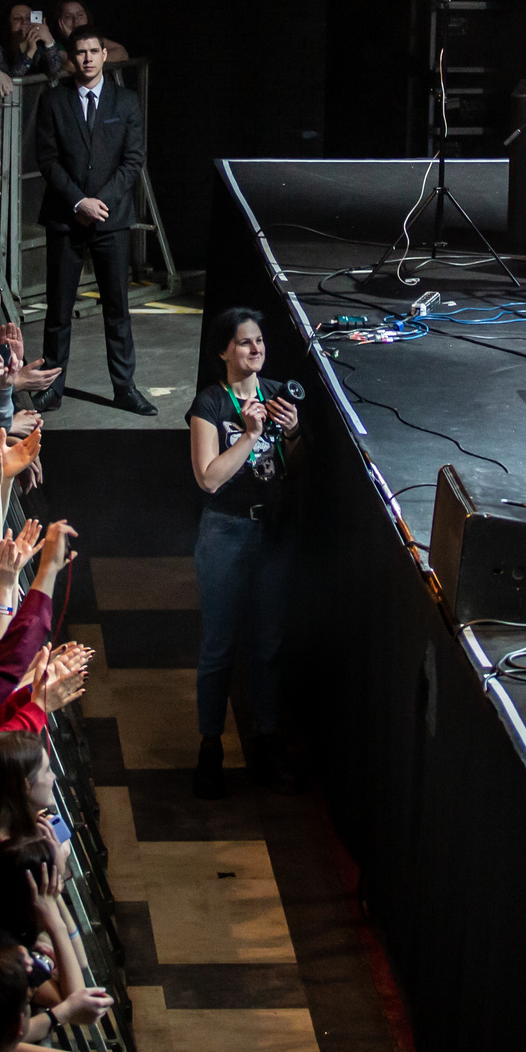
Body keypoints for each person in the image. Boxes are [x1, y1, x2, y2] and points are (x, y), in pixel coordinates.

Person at [185, 308, 304, 799]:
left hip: (272, 531)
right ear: (223, 351)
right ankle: (210, 747)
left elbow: (297, 469)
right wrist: (252, 435)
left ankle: (265, 744)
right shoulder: (210, 404)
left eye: (259, 341)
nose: (256, 349)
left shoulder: (278, 396)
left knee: (270, 644)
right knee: (219, 646)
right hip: (227, 531)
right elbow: (208, 478)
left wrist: (293, 434)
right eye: (244, 343)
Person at [31, 30, 148, 414]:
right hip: (66, 218)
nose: (87, 59)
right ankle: (51, 386)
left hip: (111, 219)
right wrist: (79, 201)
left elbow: (132, 160)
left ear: (104, 55)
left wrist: (101, 202)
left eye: (93, 52)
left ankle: (125, 387)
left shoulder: (125, 100)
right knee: (59, 308)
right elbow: (47, 160)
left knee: (117, 309)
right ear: (70, 57)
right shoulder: (53, 100)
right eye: (79, 52)